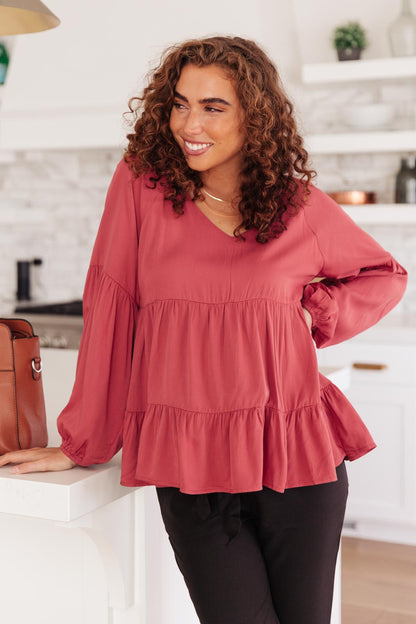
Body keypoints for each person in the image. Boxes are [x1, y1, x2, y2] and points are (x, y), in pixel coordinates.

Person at [0, 36, 408, 624]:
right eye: (180, 104)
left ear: (254, 116)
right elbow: (112, 309)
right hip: (190, 467)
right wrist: (81, 441)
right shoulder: (142, 187)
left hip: (295, 457)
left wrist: (314, 311)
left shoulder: (295, 205)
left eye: (213, 107)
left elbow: (385, 275)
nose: (190, 124)